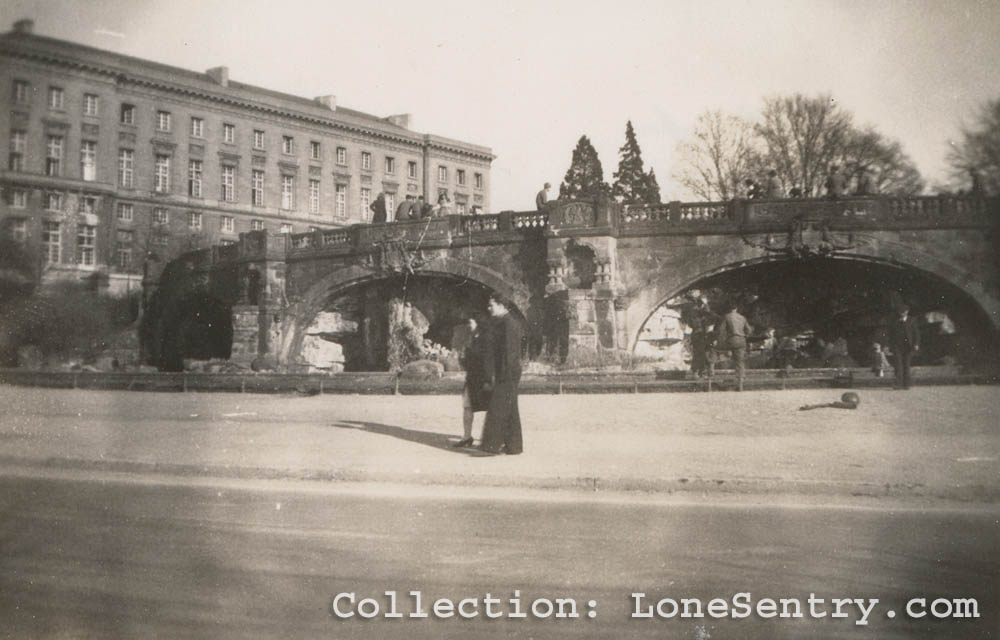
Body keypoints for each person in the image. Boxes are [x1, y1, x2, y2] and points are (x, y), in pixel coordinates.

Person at [479, 296, 523, 455]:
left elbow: (510, 352)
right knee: (510, 408)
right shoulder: (503, 322)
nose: (488, 308)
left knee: (498, 407)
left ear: (502, 305)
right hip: (505, 370)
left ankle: (492, 445)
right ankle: (514, 446)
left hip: (507, 371)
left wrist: (504, 374)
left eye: (491, 305)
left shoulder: (508, 324)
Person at [453, 318, 489, 448]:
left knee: (490, 407)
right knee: (467, 406)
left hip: (482, 378)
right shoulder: (470, 338)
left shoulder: (484, 339)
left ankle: (490, 437)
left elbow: (485, 360)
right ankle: (467, 436)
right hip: (472, 378)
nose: (468, 325)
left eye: (471, 322)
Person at [712, 301, 753, 390]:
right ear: (736, 309)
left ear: (728, 309)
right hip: (741, 341)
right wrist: (744, 336)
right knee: (740, 362)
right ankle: (740, 383)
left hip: (731, 341)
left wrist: (717, 341)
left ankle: (713, 373)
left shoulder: (726, 316)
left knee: (720, 354)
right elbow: (749, 330)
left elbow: (721, 331)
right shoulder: (742, 317)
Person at [888, 305, 920, 390]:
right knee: (898, 365)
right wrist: (890, 346)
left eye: (903, 312)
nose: (901, 313)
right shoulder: (895, 321)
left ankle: (906, 384)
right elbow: (891, 335)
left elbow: (916, 333)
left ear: (907, 312)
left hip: (908, 346)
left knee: (906, 364)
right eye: (900, 312)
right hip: (897, 346)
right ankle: (898, 384)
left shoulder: (912, 320)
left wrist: (916, 344)